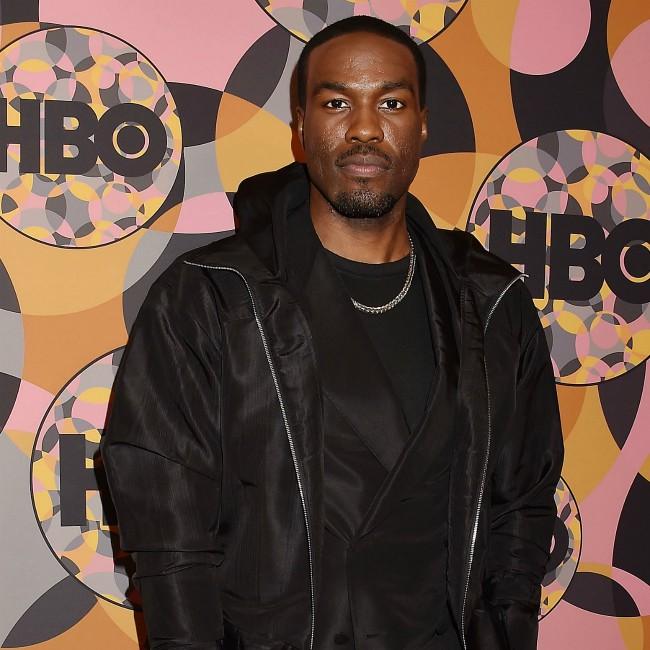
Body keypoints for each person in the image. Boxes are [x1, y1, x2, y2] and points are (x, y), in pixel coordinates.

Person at [101, 15, 563, 650]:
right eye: (337, 103)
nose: (365, 129)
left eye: (391, 103)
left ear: (422, 125)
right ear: (300, 126)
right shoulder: (210, 297)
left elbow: (520, 511)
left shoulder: (492, 303)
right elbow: (170, 536)